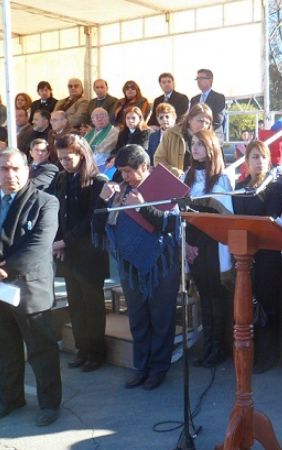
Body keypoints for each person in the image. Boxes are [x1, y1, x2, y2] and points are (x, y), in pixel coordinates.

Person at [0, 147, 61, 427]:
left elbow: (39, 246)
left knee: (41, 350)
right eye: (4, 168)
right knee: (5, 350)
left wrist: (0, 271)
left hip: (29, 290)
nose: (10, 174)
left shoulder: (45, 202)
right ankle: (10, 398)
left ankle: (50, 404)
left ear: (27, 171)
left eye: (16, 168)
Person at [95, 144, 181, 389]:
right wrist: (104, 201)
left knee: (161, 318)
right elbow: (102, 225)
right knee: (138, 319)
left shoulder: (163, 185)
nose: (125, 176)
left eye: (129, 171)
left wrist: (143, 207)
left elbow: (172, 225)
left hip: (161, 266)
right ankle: (141, 367)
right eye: (121, 171)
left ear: (144, 166)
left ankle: (158, 369)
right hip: (130, 265)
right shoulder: (120, 189)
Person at [52, 134, 109, 373]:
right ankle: (81, 348)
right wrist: (58, 241)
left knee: (92, 304)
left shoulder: (97, 180)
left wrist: (66, 241)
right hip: (67, 252)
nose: (65, 161)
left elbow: (94, 217)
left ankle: (96, 352)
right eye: (61, 158)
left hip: (89, 252)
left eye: (69, 157)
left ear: (82, 154)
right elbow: (57, 213)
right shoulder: (62, 179)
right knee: (75, 303)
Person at [230, 141, 282, 373]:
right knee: (247, 305)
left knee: (268, 304)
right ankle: (248, 354)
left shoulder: (274, 187)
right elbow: (236, 219)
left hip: (266, 255)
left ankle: (268, 356)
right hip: (244, 256)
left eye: (263, 157)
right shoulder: (241, 186)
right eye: (254, 157)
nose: (259, 161)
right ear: (247, 162)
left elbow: (269, 220)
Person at [183, 129, 234, 368]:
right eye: (193, 144)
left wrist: (198, 245)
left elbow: (220, 218)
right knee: (204, 297)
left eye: (200, 144)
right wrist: (188, 245)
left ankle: (218, 347)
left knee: (216, 297)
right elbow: (182, 214)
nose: (195, 148)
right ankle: (207, 345)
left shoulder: (221, 179)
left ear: (211, 148)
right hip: (192, 246)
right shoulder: (188, 176)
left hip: (212, 247)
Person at [154, 103, 213, 177]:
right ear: (189, 120)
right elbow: (158, 159)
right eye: (200, 121)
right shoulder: (171, 134)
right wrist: (175, 173)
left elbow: (218, 164)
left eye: (207, 123)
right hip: (177, 184)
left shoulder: (211, 139)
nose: (203, 125)